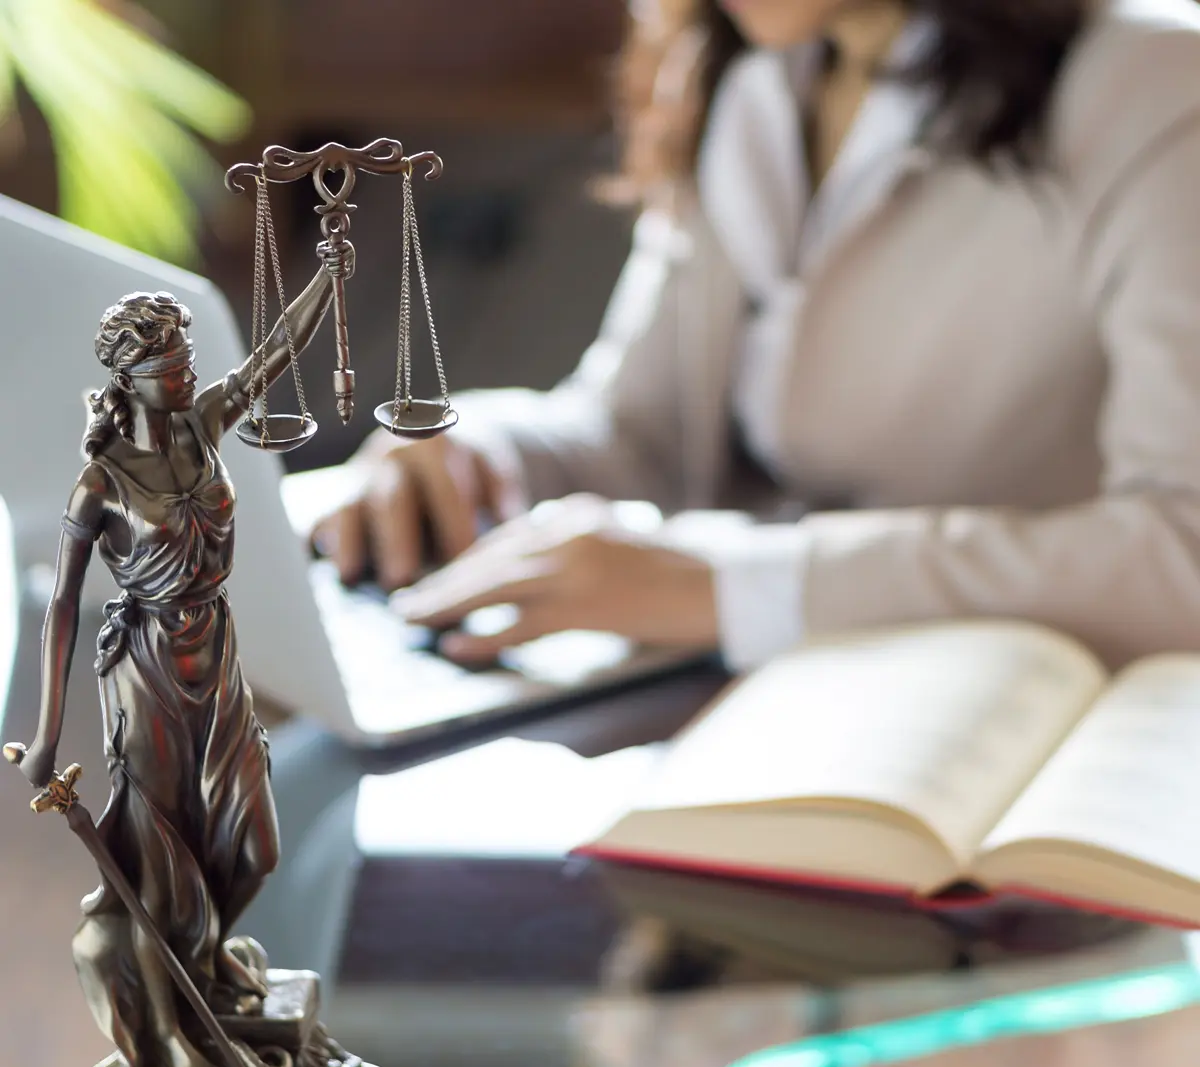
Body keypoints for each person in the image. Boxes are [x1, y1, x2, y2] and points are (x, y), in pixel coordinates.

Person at [315, 0, 1200, 674]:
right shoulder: (755, 74)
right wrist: (482, 450)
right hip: (755, 713)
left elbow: (1182, 554)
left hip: (1007, 741)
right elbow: (643, 437)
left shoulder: (1155, 81)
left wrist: (735, 585)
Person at [14, 242, 350, 1067]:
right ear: (132, 376)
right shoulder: (100, 483)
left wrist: (328, 274)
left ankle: (199, 961)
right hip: (149, 670)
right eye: (170, 364)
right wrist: (47, 737)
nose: (186, 373)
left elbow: (275, 354)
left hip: (219, 655)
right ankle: (174, 1025)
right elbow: (60, 605)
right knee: (164, 869)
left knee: (254, 848)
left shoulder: (203, 423)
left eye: (187, 361)